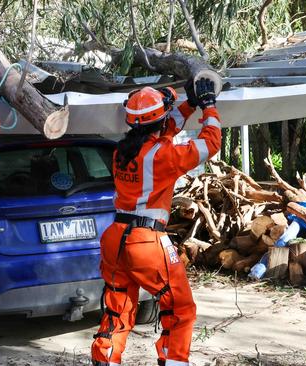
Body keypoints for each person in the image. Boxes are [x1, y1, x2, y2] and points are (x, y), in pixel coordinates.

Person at [91, 78, 222, 366]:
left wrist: (188, 104)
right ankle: (173, 360)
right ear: (160, 119)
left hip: (115, 238)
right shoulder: (165, 155)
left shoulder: (121, 152)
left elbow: (165, 127)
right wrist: (208, 106)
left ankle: (105, 359)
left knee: (119, 307)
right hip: (146, 241)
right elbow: (211, 142)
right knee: (180, 307)